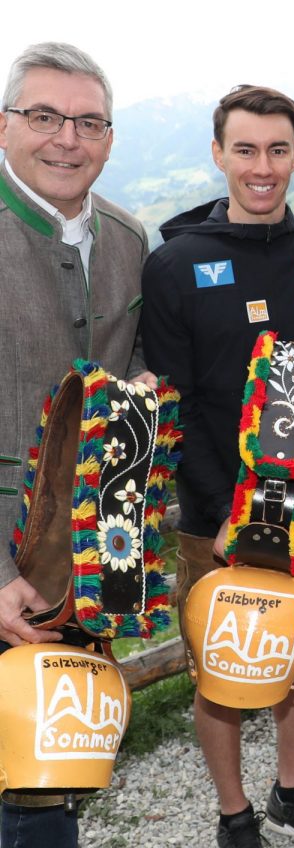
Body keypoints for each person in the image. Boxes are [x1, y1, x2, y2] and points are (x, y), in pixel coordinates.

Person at [141, 85, 294, 848]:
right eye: (245, 150)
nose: (262, 167)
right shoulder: (176, 263)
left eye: (277, 150)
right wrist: (220, 519)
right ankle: (233, 812)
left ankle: (293, 793)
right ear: (219, 154)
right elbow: (171, 405)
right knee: (224, 669)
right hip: (216, 518)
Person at [0, 41, 157, 847]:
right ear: (4, 125)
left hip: (80, 575)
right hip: (2, 567)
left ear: (108, 138)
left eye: (88, 121)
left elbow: (135, 394)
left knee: (50, 785)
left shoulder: (130, 241)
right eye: (44, 116)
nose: (67, 137)